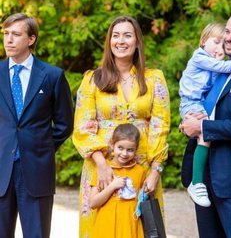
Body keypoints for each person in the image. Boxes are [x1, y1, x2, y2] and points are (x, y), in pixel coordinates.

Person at [72, 15, 170, 237]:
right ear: (109, 42)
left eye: (127, 35)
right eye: (115, 36)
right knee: (101, 225)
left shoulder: (154, 79)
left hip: (142, 167)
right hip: (100, 166)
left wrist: (155, 170)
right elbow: (82, 127)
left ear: (137, 41)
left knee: (140, 226)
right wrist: (101, 164)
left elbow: (160, 126)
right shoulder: (93, 79)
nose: (121, 41)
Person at [0, 13, 74, 238]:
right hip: (1, 167)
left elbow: (65, 123)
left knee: (37, 234)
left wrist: (42, 147)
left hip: (37, 169)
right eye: (5, 34)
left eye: (16, 34)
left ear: (31, 39)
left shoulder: (52, 76)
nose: (8, 40)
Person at [180, 9, 231, 238]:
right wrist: (188, 124)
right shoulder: (216, 68)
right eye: (227, 31)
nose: (228, 38)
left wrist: (201, 128)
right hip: (204, 180)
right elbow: (204, 107)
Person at [90, 123, 145, 238]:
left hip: (129, 226)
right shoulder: (103, 171)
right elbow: (93, 203)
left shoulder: (140, 171)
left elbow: (143, 201)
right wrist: (112, 186)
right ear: (112, 145)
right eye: (120, 148)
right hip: (106, 227)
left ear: (136, 149)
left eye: (130, 150)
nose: (124, 154)